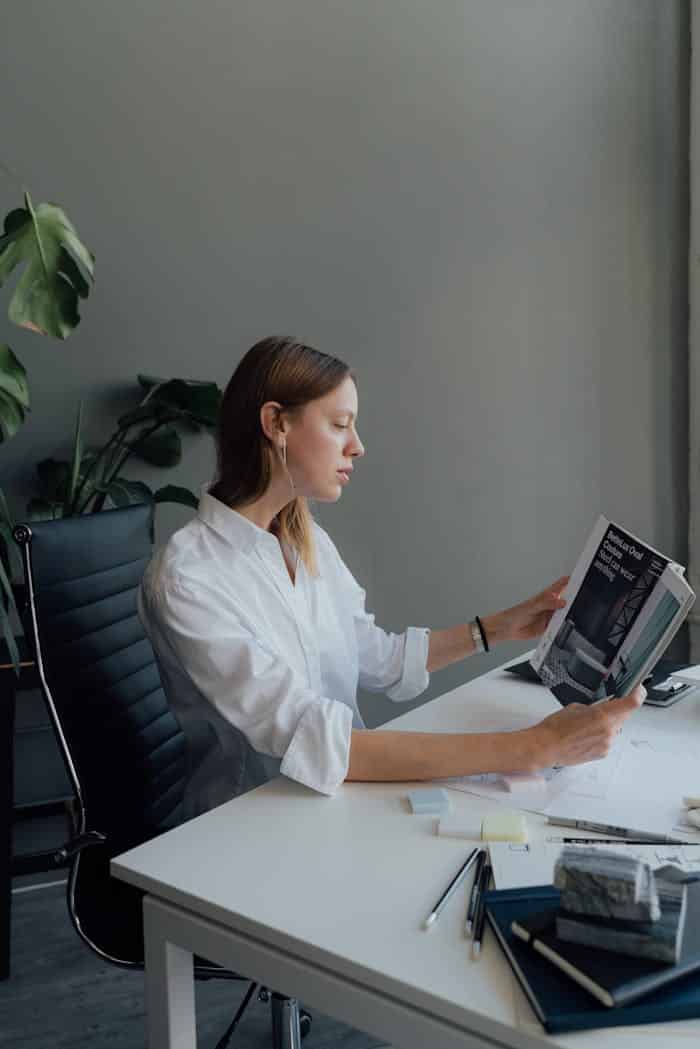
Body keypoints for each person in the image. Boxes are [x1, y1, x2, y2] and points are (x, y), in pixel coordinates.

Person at [139, 336, 644, 818]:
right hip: (248, 823)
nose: (357, 446)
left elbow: (377, 659)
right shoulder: (190, 577)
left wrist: (497, 629)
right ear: (277, 423)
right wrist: (532, 747)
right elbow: (315, 741)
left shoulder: (302, 538)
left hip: (336, 806)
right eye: (340, 424)